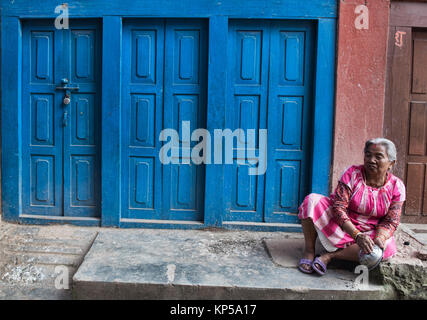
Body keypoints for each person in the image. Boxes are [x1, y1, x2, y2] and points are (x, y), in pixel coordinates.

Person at [298, 138, 406, 275]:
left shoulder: (397, 186)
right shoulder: (352, 174)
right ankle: (309, 251)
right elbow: (338, 207)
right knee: (311, 201)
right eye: (368, 155)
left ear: (391, 163)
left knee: (387, 248)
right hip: (343, 224)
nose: (371, 160)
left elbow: (391, 221)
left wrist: (380, 238)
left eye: (378, 157)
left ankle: (330, 256)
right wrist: (356, 235)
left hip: (370, 230)